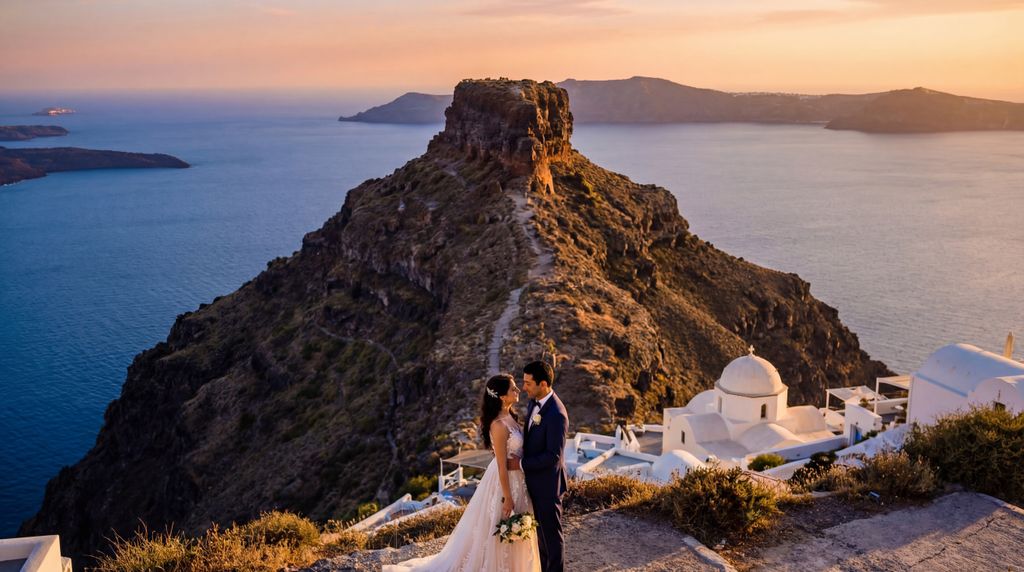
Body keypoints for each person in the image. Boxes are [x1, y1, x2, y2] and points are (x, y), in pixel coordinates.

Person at [384, 373, 540, 572]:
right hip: (504, 481)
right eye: (513, 388)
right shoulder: (498, 425)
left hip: (519, 478)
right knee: (503, 525)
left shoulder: (511, 416)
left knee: (518, 526)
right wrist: (508, 497)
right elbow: (501, 465)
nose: (518, 390)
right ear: (501, 396)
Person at [509, 361, 568, 572]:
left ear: (543, 384)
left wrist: (521, 463)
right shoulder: (534, 403)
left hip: (548, 486)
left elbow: (553, 456)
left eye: (528, 383)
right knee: (541, 538)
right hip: (534, 482)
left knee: (552, 539)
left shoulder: (557, 415)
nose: (524, 387)